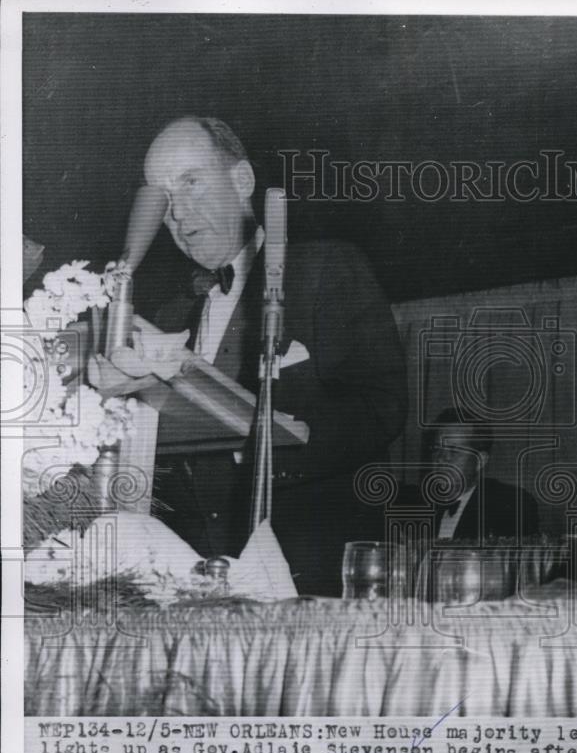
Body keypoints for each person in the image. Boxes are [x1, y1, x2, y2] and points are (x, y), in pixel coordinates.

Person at [108, 116, 407, 596]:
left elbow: (379, 406)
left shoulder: (326, 269)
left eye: (190, 183)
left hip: (311, 575)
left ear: (242, 180)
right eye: (163, 200)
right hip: (192, 584)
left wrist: (261, 444)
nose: (178, 214)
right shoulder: (167, 314)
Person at [404, 409, 539, 542]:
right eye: (436, 449)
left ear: (480, 461)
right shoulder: (416, 507)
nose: (441, 459)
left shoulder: (510, 505)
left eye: (454, 450)